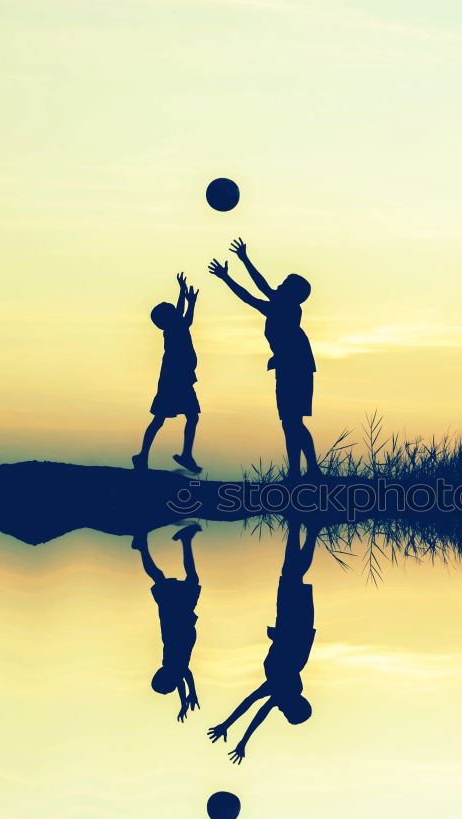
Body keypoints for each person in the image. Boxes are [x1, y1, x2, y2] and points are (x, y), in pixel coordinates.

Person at [208, 239, 319, 480]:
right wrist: (233, 271)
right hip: (293, 366)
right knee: (291, 422)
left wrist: (241, 263)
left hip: (296, 367)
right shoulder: (282, 306)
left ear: (292, 294)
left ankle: (308, 470)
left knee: (293, 421)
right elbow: (255, 294)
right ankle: (300, 472)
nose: (279, 285)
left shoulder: (286, 308)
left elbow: (257, 291)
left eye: (285, 284)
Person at [207, 521, 317, 762]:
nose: (280, 710)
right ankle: (302, 526)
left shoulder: (282, 691)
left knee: (292, 575)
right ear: (294, 704)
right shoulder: (282, 689)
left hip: (294, 629)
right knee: (291, 575)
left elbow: (255, 707)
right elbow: (255, 709)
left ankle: (307, 528)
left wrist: (234, 732)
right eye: (286, 712)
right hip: (293, 628)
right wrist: (234, 732)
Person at [133, 272, 202, 473]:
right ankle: (144, 455)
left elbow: (183, 314)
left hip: (179, 378)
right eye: (171, 311)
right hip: (175, 379)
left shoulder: (176, 326)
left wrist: (185, 296)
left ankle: (151, 455)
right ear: (167, 318)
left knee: (183, 416)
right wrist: (187, 298)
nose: (175, 310)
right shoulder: (174, 328)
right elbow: (184, 315)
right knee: (166, 418)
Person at [133, 524, 201, 722]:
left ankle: (147, 545)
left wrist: (192, 693)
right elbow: (181, 679)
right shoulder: (173, 667)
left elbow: (184, 676)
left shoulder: (176, 666)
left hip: (177, 619)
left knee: (175, 579)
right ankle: (179, 540)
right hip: (176, 619)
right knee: (164, 579)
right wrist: (184, 699)